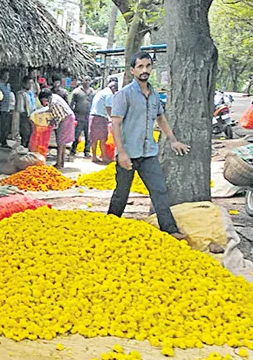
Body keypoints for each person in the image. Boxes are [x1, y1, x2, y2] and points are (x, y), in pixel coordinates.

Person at [108, 51, 189, 239]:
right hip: (128, 153)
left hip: (148, 153)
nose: (144, 70)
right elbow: (116, 124)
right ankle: (110, 224)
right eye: (140, 67)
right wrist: (121, 153)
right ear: (133, 70)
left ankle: (169, 229)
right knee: (121, 194)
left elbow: (160, 118)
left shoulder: (153, 95)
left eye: (148, 66)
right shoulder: (124, 95)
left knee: (159, 190)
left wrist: (173, 140)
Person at [39, 87, 75, 169]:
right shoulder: (54, 97)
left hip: (66, 119)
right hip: (67, 117)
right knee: (62, 141)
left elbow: (58, 116)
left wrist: (51, 124)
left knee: (60, 141)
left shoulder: (53, 102)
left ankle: (59, 163)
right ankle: (61, 162)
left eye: (43, 100)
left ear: (46, 97)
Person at [89, 79, 118, 163]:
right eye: (115, 90)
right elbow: (109, 107)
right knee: (102, 138)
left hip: (93, 116)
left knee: (94, 138)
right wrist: (113, 119)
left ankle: (94, 156)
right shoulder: (109, 94)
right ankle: (104, 157)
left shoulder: (101, 92)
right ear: (113, 88)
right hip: (100, 117)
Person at [70, 77, 95, 157]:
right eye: (85, 80)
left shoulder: (92, 92)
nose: (87, 82)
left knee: (89, 135)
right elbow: (72, 104)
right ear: (82, 81)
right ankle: (73, 150)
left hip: (89, 116)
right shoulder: (76, 91)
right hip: (79, 116)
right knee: (76, 134)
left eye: (89, 80)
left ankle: (87, 151)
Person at [16, 76, 36, 147]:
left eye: (31, 84)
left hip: (32, 116)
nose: (30, 85)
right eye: (28, 83)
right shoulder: (21, 94)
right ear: (24, 84)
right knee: (25, 134)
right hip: (25, 116)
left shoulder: (31, 93)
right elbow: (20, 108)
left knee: (31, 134)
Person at [0, 70, 13, 149]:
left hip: (7, 108)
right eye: (5, 75)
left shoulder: (8, 85)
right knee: (1, 126)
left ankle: (4, 141)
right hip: (0, 108)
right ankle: (0, 141)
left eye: (8, 76)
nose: (7, 77)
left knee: (6, 126)